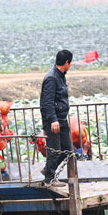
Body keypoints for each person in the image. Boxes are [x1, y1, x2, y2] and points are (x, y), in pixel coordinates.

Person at [39, 49, 73, 187]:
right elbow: (47, 102)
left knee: (67, 150)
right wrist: (53, 119)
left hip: (62, 119)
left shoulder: (60, 76)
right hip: (53, 121)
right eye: (70, 63)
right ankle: (50, 178)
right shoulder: (52, 78)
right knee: (55, 149)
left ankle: (48, 169)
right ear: (66, 62)